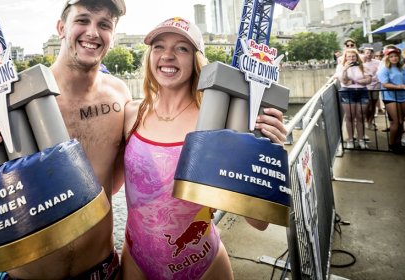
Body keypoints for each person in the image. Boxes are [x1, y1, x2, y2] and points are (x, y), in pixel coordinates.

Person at [0, 0, 132, 279]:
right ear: (61, 27)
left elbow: (116, 183)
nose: (92, 32)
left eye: (104, 25)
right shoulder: (13, 100)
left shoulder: (119, 96)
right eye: (82, 20)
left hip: (102, 270)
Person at [121, 17, 287, 280]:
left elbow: (259, 222)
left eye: (182, 48)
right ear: (149, 56)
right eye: (159, 46)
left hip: (203, 267)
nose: (167, 55)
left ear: (196, 60)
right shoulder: (131, 114)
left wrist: (266, 152)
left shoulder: (216, 124)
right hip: (135, 262)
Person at [377, 46, 405, 154]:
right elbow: (385, 84)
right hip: (390, 97)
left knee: (401, 121)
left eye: (396, 56)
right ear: (388, 58)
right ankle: (392, 144)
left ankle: (398, 144)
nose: (394, 58)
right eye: (391, 56)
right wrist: (402, 87)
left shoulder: (402, 69)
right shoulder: (384, 70)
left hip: (404, 97)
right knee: (396, 122)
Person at [335, 48, 371, 149]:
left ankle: (361, 139)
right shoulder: (340, 66)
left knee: (360, 116)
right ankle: (350, 140)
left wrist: (355, 82)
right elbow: (344, 80)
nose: (351, 58)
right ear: (345, 57)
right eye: (349, 56)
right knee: (349, 116)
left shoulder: (363, 66)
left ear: (357, 57)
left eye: (353, 56)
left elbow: (368, 80)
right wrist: (345, 69)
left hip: (362, 92)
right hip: (347, 92)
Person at [361, 46, 382, 132]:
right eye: (367, 53)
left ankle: (370, 121)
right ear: (364, 54)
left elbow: (380, 71)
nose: (369, 54)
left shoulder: (378, 62)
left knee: (373, 105)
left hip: (375, 86)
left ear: (373, 54)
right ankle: (367, 120)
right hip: (365, 87)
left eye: (370, 53)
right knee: (367, 105)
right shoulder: (361, 64)